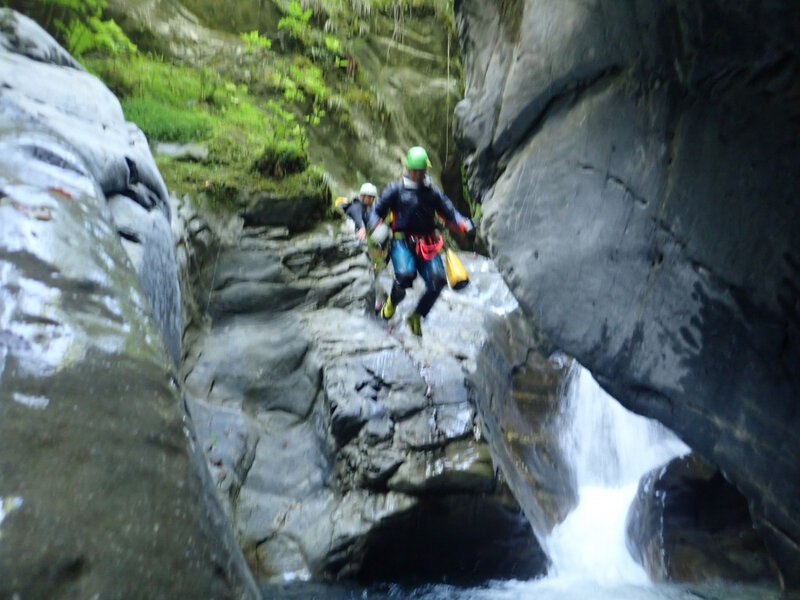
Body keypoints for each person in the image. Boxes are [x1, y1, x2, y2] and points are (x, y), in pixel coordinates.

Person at [371, 146, 474, 336]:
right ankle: (391, 304)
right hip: (402, 243)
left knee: (438, 280)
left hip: (427, 243)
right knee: (404, 276)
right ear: (408, 169)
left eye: (422, 170)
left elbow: (449, 212)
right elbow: (376, 211)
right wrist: (378, 228)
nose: (419, 174)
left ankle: (417, 316)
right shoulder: (395, 190)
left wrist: (464, 223)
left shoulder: (432, 193)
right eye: (415, 170)